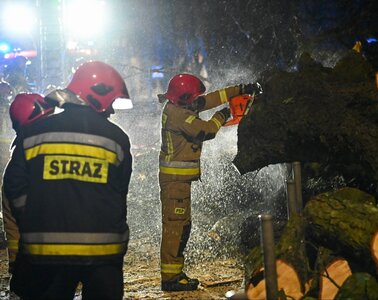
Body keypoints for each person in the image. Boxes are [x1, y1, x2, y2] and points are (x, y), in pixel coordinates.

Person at [3, 61, 132, 300]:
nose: (112, 111)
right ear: (98, 96)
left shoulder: (34, 134)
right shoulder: (117, 139)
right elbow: (119, 193)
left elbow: (13, 184)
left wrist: (33, 215)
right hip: (103, 252)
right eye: (112, 102)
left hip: (46, 251)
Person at [157, 73, 262, 291]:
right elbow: (206, 130)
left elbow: (212, 98)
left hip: (179, 181)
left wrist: (241, 89)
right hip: (175, 181)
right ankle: (171, 279)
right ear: (185, 97)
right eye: (194, 97)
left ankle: (174, 274)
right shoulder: (179, 115)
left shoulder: (180, 104)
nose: (198, 101)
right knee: (176, 228)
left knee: (182, 226)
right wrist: (224, 114)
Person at [1, 93, 55, 277]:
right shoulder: (19, 169)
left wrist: (16, 269)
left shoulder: (15, 168)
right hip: (53, 267)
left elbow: (11, 225)